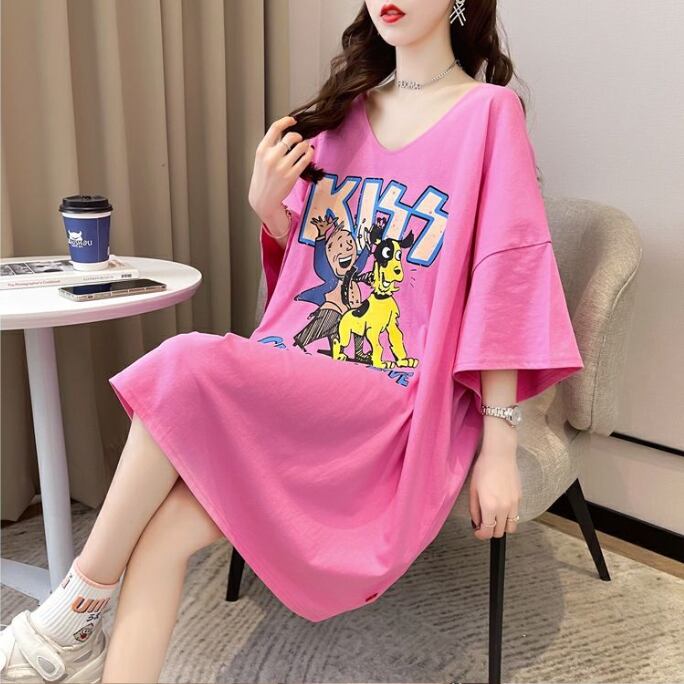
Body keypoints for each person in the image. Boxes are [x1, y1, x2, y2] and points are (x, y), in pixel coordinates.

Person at [0, 0, 584, 682]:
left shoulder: (488, 114)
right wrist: (270, 211)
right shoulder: (342, 116)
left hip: (393, 401)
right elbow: (310, 277)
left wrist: (501, 444)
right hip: (303, 374)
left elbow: (505, 277)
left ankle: (68, 618)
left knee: (184, 363)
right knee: (160, 537)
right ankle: (80, 633)